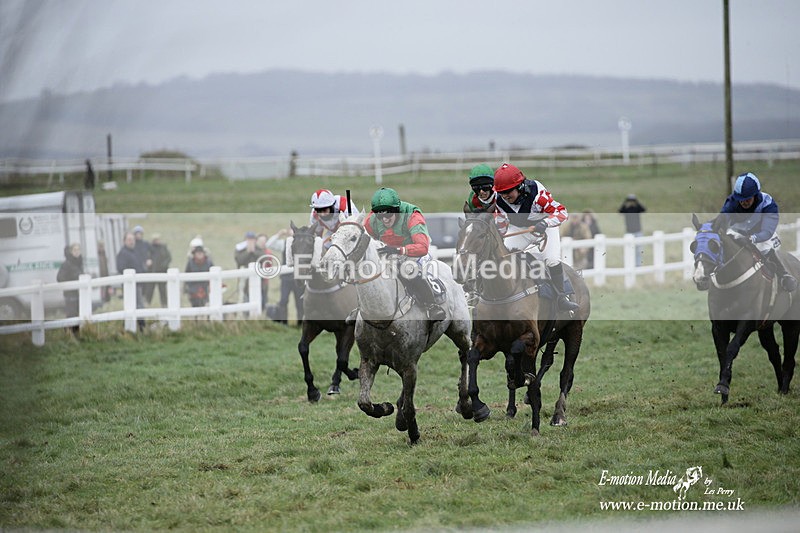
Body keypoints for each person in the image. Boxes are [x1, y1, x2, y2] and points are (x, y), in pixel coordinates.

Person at [492, 163, 579, 311]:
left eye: (508, 191)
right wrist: (500, 235)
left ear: (520, 187)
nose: (505, 196)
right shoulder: (498, 199)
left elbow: (562, 212)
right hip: (520, 229)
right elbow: (500, 220)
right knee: (503, 256)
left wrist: (545, 222)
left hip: (545, 228)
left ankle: (562, 297)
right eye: (502, 192)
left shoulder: (538, 195)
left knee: (551, 260)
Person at [363, 187, 446, 321]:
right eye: (380, 215)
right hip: (389, 253)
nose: (384, 219)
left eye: (388, 214)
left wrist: (399, 250)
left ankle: (432, 305)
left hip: (416, 252)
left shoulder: (412, 216)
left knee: (408, 269)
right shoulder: (370, 221)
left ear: (397, 210)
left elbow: (422, 247)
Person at [720, 172, 797, 292]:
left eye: (747, 199)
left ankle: (784, 276)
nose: (744, 202)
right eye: (741, 199)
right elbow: (722, 221)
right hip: (738, 232)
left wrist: (751, 238)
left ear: (755, 195)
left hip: (761, 236)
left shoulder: (768, 204)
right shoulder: (732, 201)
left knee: (764, 248)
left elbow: (767, 232)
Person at [265, 228, 304, 325]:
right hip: (286, 279)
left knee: (300, 302)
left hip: (299, 279)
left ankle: (300, 324)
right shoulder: (284, 244)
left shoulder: (302, 245)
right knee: (283, 301)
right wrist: (279, 234)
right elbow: (268, 244)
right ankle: (283, 323)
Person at [116, 231, 146, 332]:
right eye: (129, 240)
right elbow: (121, 268)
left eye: (132, 240)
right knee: (133, 306)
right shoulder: (123, 253)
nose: (131, 242)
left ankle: (140, 328)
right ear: (124, 241)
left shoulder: (135, 252)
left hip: (138, 284)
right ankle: (134, 328)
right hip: (129, 285)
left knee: (139, 306)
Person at [56, 242, 83, 336]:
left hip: (79, 294)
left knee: (79, 315)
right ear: (71, 251)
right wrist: (71, 281)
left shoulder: (79, 262)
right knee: (71, 315)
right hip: (70, 295)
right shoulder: (66, 264)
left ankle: (77, 335)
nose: (77, 252)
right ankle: (69, 335)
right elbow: (59, 278)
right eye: (75, 250)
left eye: (78, 250)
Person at [235, 231, 267, 308]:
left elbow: (264, 258)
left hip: (259, 281)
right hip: (244, 282)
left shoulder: (259, 249)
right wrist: (248, 252)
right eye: (249, 239)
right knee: (245, 300)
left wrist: (254, 252)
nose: (250, 241)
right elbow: (239, 260)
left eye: (252, 239)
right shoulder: (240, 249)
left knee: (260, 302)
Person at [618, 194, 646, 266]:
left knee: (639, 250)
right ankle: (630, 264)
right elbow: (620, 211)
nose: (631, 202)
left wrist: (637, 201)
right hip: (629, 232)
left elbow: (643, 209)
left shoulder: (637, 208)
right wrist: (625, 202)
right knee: (629, 250)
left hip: (638, 231)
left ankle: (638, 265)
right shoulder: (626, 209)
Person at [145, 233, 171, 306]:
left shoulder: (163, 248)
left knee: (162, 290)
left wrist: (163, 266)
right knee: (149, 289)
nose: (156, 241)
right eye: (155, 240)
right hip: (151, 272)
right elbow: (146, 258)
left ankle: (164, 304)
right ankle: (147, 303)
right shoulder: (149, 248)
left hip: (162, 272)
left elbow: (168, 258)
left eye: (157, 239)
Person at [132, 225, 153, 304]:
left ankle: (144, 299)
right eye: (137, 234)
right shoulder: (133, 245)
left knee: (145, 285)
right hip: (136, 268)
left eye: (140, 234)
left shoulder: (145, 244)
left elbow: (153, 253)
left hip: (144, 268)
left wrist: (150, 260)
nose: (138, 235)